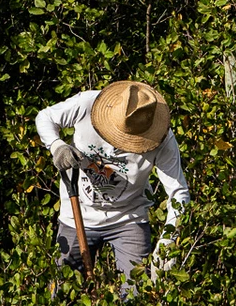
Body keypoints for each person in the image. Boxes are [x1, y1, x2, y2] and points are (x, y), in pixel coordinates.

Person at [36, 80, 189, 292]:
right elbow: (45, 117)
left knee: (137, 296)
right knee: (62, 294)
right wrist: (57, 146)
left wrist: (168, 242)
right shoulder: (88, 104)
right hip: (76, 213)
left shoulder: (162, 138)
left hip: (129, 219)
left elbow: (179, 193)